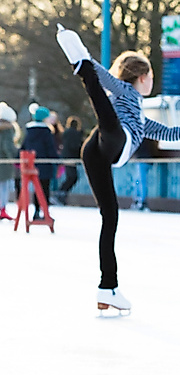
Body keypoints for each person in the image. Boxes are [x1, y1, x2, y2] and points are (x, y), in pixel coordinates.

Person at [56, 24, 180, 313]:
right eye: (151, 77)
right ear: (142, 77)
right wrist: (87, 63)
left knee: (110, 217)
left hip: (99, 150)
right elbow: (105, 78)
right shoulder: (125, 90)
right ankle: (80, 63)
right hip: (113, 139)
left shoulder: (139, 113)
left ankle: (107, 288)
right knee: (106, 113)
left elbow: (166, 132)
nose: (153, 82)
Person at [20, 104, 59, 221]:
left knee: (35, 190)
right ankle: (44, 211)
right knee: (44, 189)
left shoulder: (29, 131)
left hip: (31, 165)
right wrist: (57, 159)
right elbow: (50, 148)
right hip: (44, 166)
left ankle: (36, 210)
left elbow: (23, 146)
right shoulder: (46, 132)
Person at [54, 116, 83, 205]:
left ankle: (61, 193)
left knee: (71, 176)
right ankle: (61, 193)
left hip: (66, 156)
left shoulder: (65, 133)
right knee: (72, 176)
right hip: (71, 157)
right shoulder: (75, 134)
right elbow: (75, 146)